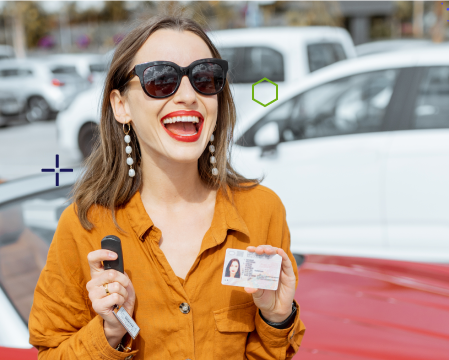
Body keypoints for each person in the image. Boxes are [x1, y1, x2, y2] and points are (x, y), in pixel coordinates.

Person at [28, 13, 305, 360]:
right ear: (121, 105)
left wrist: (276, 319)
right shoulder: (84, 226)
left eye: (205, 78)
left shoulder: (262, 211)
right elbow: (50, 351)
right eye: (162, 80)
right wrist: (110, 332)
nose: (188, 96)